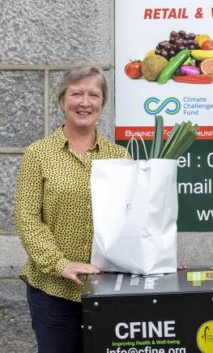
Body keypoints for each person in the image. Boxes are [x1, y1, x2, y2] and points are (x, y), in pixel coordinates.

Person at [14, 66, 126, 353]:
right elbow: (26, 217)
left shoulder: (119, 156)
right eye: (76, 94)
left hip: (107, 288)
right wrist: (59, 263)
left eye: (93, 95)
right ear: (62, 101)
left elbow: (131, 218)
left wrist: (156, 259)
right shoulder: (38, 154)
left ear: (103, 103)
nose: (85, 102)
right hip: (53, 290)